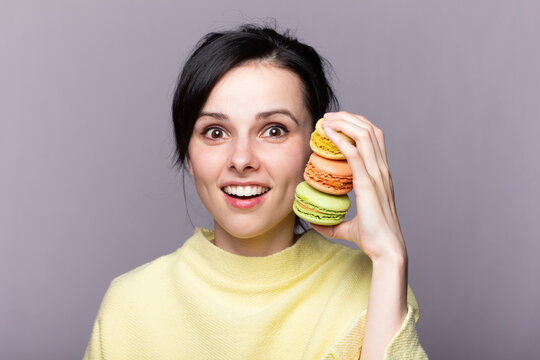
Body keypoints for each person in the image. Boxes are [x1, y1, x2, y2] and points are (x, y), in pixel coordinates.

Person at [83, 24, 428, 359]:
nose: (241, 159)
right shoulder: (130, 304)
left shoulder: (373, 289)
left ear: (315, 150)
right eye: (215, 132)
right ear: (188, 154)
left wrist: (390, 257)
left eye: (274, 130)